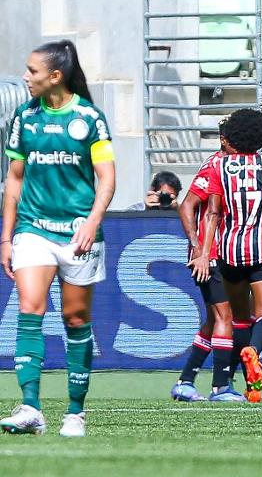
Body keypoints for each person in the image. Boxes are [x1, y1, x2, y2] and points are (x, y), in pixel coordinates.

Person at [0, 40, 115, 436]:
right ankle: (30, 407)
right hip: (33, 228)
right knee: (29, 309)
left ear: (55, 76)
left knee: (76, 318)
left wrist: (92, 220)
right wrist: (6, 237)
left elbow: (107, 179)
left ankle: (74, 412)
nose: (26, 77)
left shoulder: (89, 118)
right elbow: (13, 181)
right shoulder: (24, 118)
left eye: (32, 71)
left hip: (79, 234)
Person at [189, 109, 262, 402]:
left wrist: (203, 252)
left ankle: (228, 383)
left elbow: (213, 213)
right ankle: (253, 351)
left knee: (237, 318)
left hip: (230, 252)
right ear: (261, 135)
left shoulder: (220, 168)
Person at [171, 118, 245, 402]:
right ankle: (220, 386)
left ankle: (185, 381)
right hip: (209, 255)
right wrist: (197, 246)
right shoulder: (214, 166)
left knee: (216, 320)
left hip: (230, 253)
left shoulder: (245, 167)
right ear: (225, 140)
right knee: (226, 317)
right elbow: (186, 204)